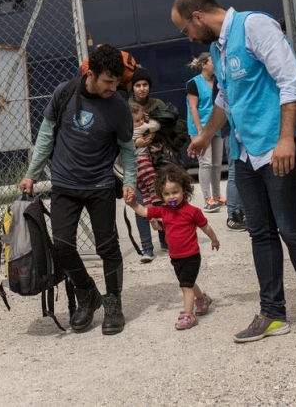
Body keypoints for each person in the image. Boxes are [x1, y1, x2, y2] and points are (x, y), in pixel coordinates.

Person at [172, 0, 296, 342]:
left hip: (279, 145)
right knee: (259, 232)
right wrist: (206, 135)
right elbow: (226, 98)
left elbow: (291, 82)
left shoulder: (254, 26)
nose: (189, 38)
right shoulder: (217, 48)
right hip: (246, 151)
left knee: (292, 229)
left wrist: (286, 139)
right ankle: (272, 313)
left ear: (197, 17)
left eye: (185, 29)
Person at [19, 44, 136, 335]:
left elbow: (129, 150)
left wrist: (130, 182)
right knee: (62, 247)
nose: (113, 87)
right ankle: (88, 294)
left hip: (100, 186)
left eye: (117, 81)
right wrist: (32, 174)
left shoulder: (119, 106)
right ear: (92, 74)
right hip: (64, 185)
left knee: (107, 247)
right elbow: (46, 136)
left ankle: (113, 305)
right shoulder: (65, 93)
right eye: (108, 81)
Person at [124, 165, 220, 330]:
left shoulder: (192, 211)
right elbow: (145, 212)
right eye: (167, 194)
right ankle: (203, 299)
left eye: (175, 192)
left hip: (191, 256)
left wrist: (214, 239)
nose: (171, 197)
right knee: (187, 282)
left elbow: (205, 227)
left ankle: (188, 316)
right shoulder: (162, 211)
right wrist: (134, 205)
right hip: (175, 256)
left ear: (184, 190)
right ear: (161, 195)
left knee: (185, 286)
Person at [186, 53, 224, 211]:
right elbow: (193, 108)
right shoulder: (193, 83)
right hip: (200, 128)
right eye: (212, 62)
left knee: (216, 163)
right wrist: (201, 132)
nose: (215, 64)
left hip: (216, 127)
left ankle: (217, 196)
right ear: (203, 65)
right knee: (205, 163)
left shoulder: (217, 81)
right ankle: (207, 199)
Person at [127, 101, 161, 262]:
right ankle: (156, 218)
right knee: (154, 192)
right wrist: (147, 120)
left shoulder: (125, 130)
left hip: (133, 170)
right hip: (144, 164)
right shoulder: (140, 129)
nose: (140, 122)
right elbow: (155, 126)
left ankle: (152, 219)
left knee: (145, 197)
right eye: (137, 120)